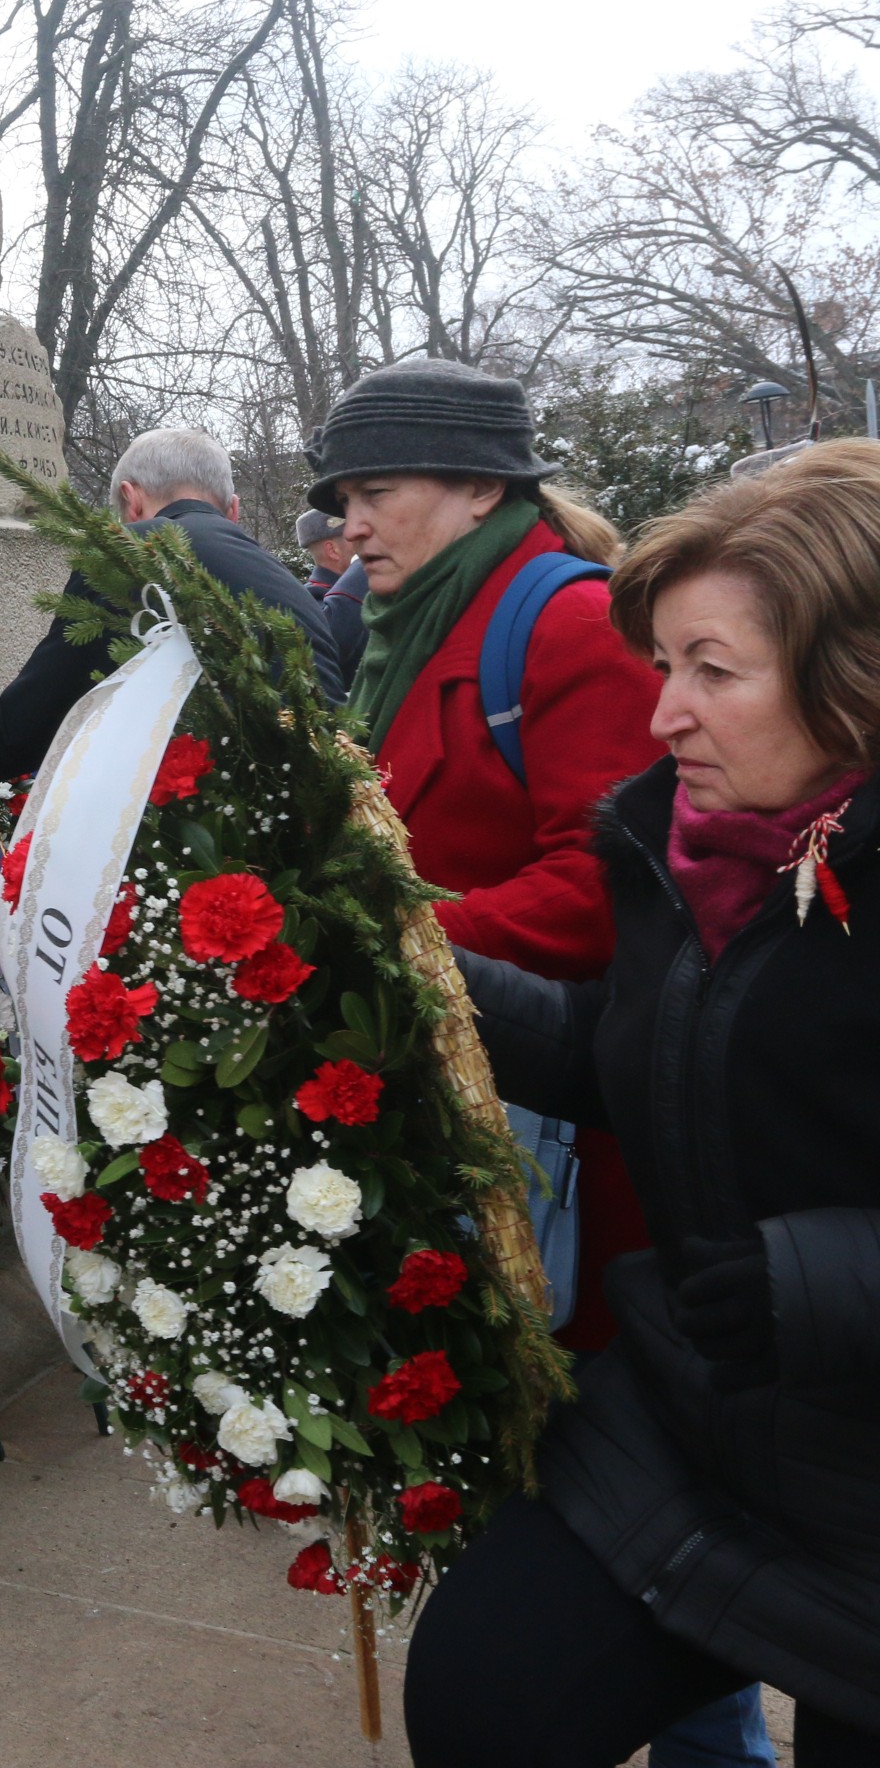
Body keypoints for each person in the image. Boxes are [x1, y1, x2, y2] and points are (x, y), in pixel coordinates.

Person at [315, 363, 775, 1768]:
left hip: (587, 1140)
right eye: (339, 498)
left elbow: (608, 879)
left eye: (375, 491)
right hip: (496, 1098)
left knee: (649, 1521)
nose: (348, 524)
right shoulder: (402, 627)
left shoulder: (562, 623)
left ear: (477, 488)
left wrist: (399, 946)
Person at [405, 437, 880, 1766]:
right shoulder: (681, 848)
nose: (665, 714)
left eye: (712, 671)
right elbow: (640, 1054)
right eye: (666, 664)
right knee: (488, 1703)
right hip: (700, 1424)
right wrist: (428, 981)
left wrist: (819, 1279)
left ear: (855, 679)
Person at [0, 427, 342, 787]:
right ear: (233, 510)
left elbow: (25, 729)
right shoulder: (284, 576)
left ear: (131, 499)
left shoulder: (134, 553)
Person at [297, 505, 370, 671]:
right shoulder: (308, 599)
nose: (366, 544)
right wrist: (364, 562)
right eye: (357, 539)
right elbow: (334, 640)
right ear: (333, 550)